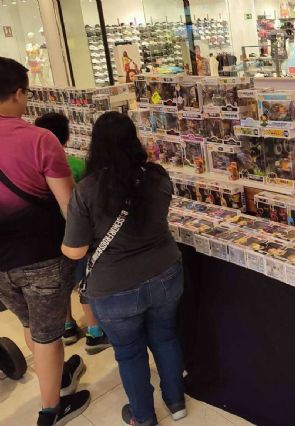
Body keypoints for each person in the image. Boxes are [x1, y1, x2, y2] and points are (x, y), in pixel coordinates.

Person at [61, 112, 186, 426]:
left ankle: (143, 417)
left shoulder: (86, 190)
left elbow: (74, 250)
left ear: (95, 146)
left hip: (114, 289)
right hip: (166, 273)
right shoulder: (156, 175)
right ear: (134, 139)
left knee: (129, 353)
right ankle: (176, 402)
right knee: (166, 338)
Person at [0, 57, 90, 426]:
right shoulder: (40, 139)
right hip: (41, 256)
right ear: (19, 93)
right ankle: (51, 409)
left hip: (1, 262)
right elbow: (70, 208)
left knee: (29, 322)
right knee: (49, 334)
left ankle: (57, 376)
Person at [34, 112, 110, 354]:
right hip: (76, 235)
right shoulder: (75, 165)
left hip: (48, 236)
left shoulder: (34, 165)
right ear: (65, 138)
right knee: (84, 280)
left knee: (61, 285)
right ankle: (94, 332)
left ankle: (67, 326)